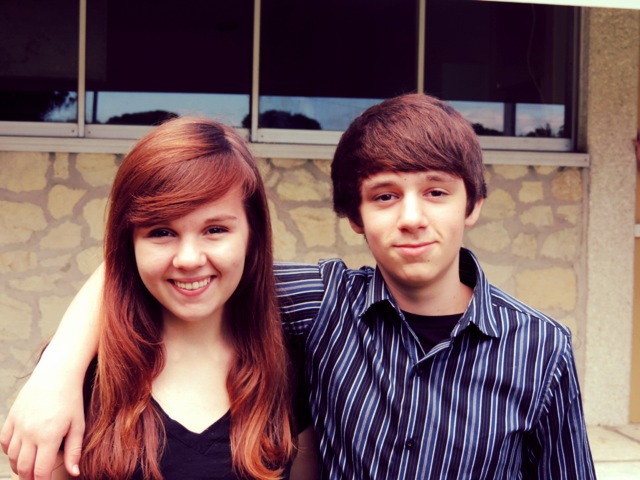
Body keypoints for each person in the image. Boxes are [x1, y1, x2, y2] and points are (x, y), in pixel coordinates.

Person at [2, 94, 595, 479]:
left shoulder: (541, 349)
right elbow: (170, 268)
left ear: (474, 203)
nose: (412, 217)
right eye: (385, 196)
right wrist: (56, 374)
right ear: (355, 216)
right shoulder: (328, 304)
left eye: (436, 192)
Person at [3, 116, 317, 480]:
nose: (188, 259)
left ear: (252, 235)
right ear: (129, 243)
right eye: (161, 232)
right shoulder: (83, 377)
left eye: (215, 229)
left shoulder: (289, 366)